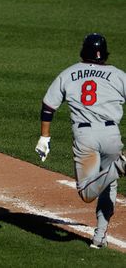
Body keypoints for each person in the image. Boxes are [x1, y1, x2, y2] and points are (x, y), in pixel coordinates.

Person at [35, 33, 126, 249]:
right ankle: (99, 237)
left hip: (86, 138)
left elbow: (48, 107)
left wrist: (44, 136)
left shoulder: (69, 73)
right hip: (112, 136)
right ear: (104, 53)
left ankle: (121, 165)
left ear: (83, 52)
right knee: (108, 184)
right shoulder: (118, 75)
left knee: (87, 192)